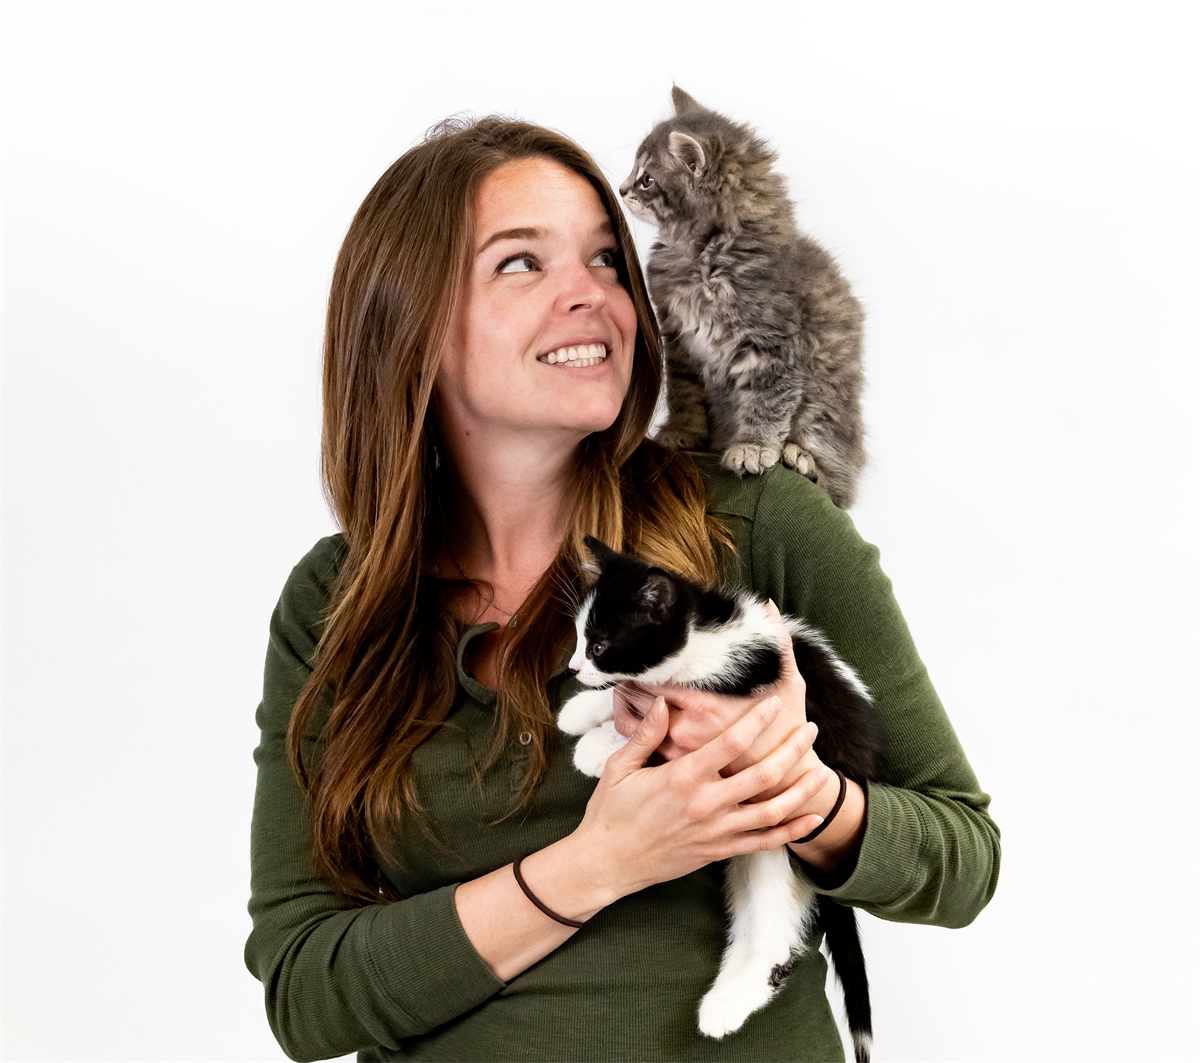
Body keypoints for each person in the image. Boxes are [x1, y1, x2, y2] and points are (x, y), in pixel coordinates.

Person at [245, 116, 1000, 1063]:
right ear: (411, 325)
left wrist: (801, 796)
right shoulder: (335, 600)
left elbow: (963, 859)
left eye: (607, 259)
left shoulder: (761, 523)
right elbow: (306, 993)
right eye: (521, 263)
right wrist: (597, 864)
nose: (591, 296)